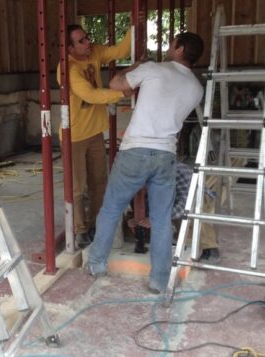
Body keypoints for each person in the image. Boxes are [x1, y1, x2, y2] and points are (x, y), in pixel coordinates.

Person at [87, 32, 205, 294]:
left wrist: (136, 65)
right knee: (161, 219)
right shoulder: (197, 88)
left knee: (111, 209)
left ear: (180, 48)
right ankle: (159, 280)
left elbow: (117, 83)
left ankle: (96, 264)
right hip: (166, 156)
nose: (168, 46)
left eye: (172, 43)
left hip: (135, 151)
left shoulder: (153, 69)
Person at [57, 24, 132, 248]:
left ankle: (96, 223)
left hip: (95, 133)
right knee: (77, 187)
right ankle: (80, 230)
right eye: (81, 41)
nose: (88, 43)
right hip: (75, 136)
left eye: (87, 38)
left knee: (99, 182)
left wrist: (134, 25)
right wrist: (121, 93)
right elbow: (89, 94)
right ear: (70, 48)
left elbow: (120, 51)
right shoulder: (68, 69)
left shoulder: (94, 52)